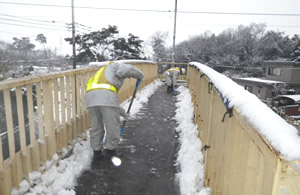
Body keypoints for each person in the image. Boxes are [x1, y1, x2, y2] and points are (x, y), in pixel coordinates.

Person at [85, 61, 144, 162]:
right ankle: (111, 152)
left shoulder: (101, 73)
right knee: (113, 126)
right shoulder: (114, 66)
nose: (126, 78)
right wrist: (140, 75)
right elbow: (127, 69)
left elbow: (113, 106)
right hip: (106, 97)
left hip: (90, 99)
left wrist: (124, 114)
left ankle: (97, 153)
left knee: (96, 127)